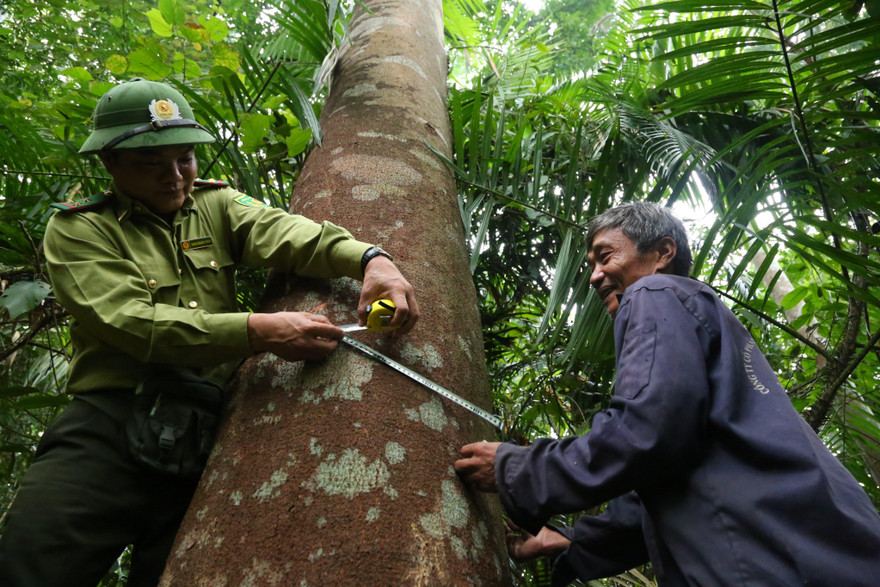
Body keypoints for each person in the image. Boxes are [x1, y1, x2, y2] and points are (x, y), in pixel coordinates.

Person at [0, 78, 418, 587]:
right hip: (106, 429)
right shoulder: (80, 229)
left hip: (205, 438)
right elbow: (131, 321)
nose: (175, 177)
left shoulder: (216, 205)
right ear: (111, 164)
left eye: (185, 160)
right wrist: (257, 331)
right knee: (28, 570)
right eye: (153, 165)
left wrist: (373, 260)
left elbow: (287, 233)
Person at [455, 202, 880, 585]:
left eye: (605, 256)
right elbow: (671, 477)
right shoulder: (715, 331)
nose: (594, 275)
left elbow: (648, 429)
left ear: (663, 253)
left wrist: (518, 468)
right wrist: (567, 540)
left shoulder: (655, 292)